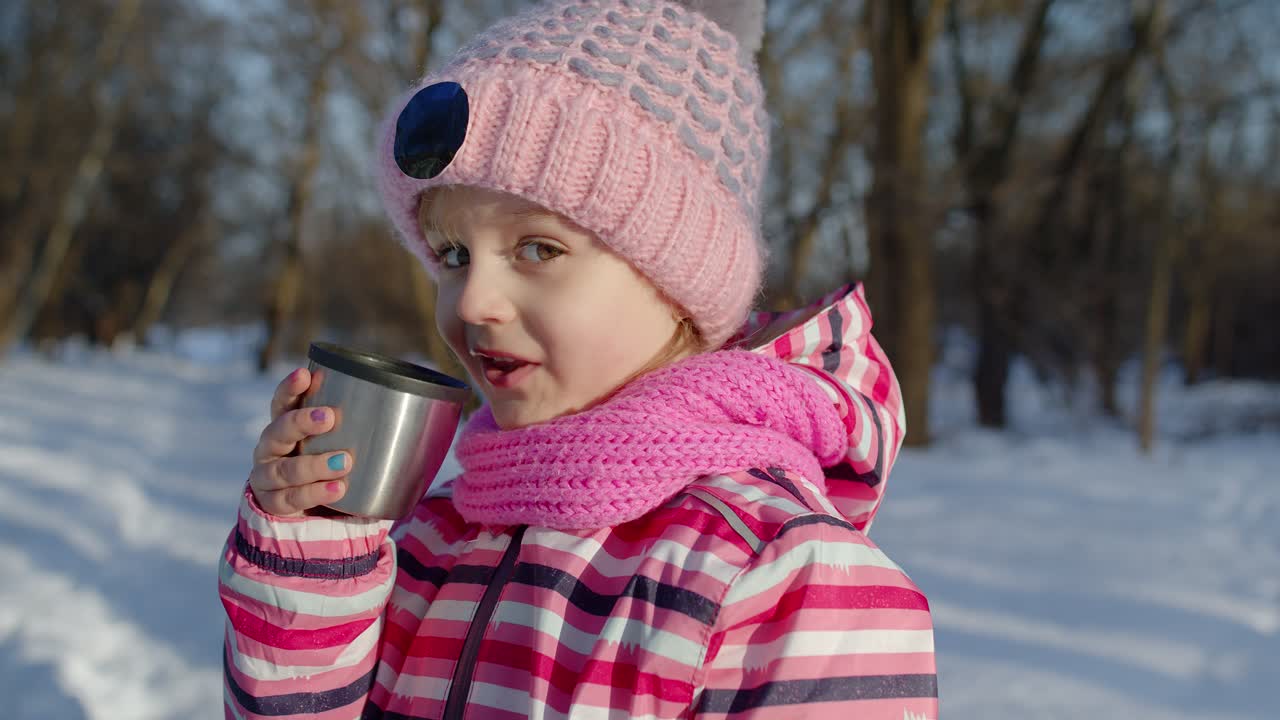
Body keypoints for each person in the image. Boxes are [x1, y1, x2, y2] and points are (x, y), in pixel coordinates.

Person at [218, 1, 938, 718]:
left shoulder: (788, 577)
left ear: (678, 282)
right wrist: (313, 564)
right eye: (453, 255)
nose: (472, 302)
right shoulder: (437, 533)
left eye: (539, 249)